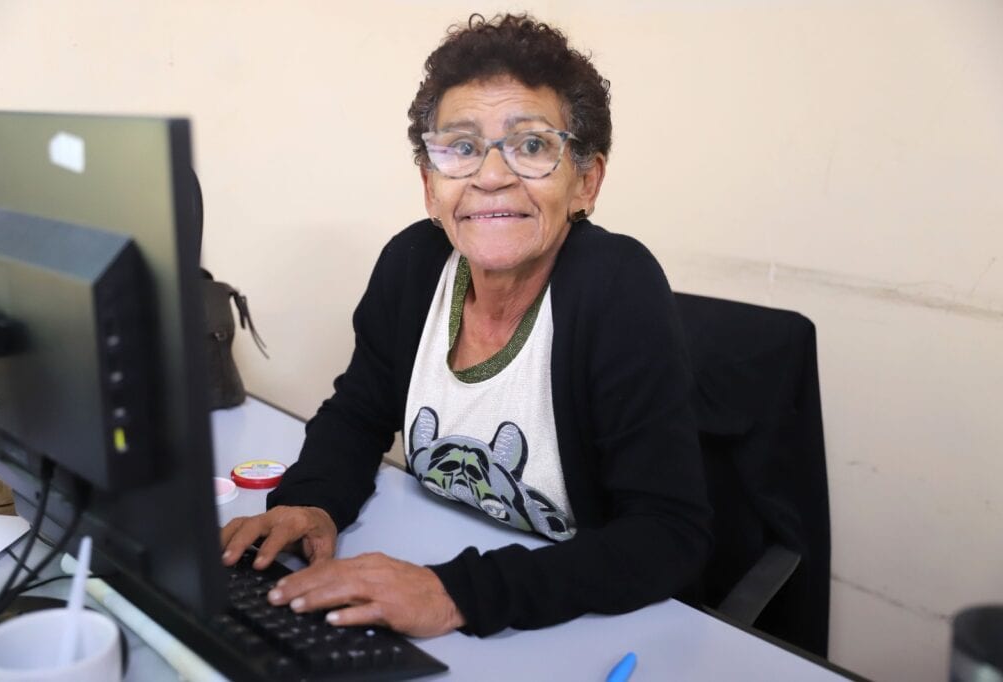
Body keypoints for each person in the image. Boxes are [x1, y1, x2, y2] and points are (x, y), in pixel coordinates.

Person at [220, 12, 711, 639]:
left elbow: (668, 535)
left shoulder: (617, 287)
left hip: (579, 626)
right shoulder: (413, 264)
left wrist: (455, 593)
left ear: (586, 182)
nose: (491, 176)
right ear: (431, 186)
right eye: (462, 148)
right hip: (451, 555)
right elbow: (358, 414)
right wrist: (311, 501)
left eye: (531, 146)